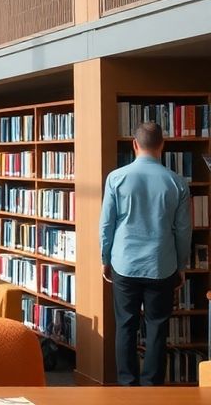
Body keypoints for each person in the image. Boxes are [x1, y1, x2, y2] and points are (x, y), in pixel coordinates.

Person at [100, 122, 191, 386]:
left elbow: (107, 225)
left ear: (134, 144)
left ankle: (128, 386)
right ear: (162, 146)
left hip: (124, 264)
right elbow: (183, 231)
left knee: (125, 326)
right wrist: (181, 265)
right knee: (157, 328)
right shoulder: (177, 182)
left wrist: (105, 259)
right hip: (161, 265)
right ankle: (152, 389)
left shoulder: (116, 178)